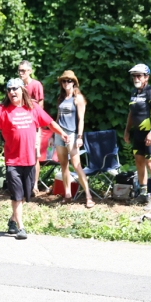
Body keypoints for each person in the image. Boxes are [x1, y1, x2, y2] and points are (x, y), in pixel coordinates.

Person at [0, 78, 70, 240]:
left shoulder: (32, 107)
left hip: (30, 161)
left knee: (26, 196)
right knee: (17, 196)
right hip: (13, 161)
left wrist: (61, 133)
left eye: (15, 88)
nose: (12, 92)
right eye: (9, 89)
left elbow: (49, 122)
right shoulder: (2, 109)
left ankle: (12, 221)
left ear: (22, 90)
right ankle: (21, 227)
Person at [124, 63, 151, 208]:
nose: (136, 78)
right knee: (139, 162)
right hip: (138, 134)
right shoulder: (134, 93)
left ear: (146, 77)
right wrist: (127, 130)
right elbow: (131, 113)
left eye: (139, 75)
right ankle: (142, 195)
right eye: (134, 75)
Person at [52, 70, 95, 208]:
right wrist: (54, 134)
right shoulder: (61, 98)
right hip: (60, 134)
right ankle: (68, 194)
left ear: (74, 83)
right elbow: (58, 118)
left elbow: (81, 119)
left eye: (69, 81)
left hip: (72, 134)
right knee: (63, 165)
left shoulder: (78, 99)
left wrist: (79, 137)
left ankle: (88, 196)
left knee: (77, 165)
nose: (66, 83)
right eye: (64, 81)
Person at [19, 61, 45, 194]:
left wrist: (36, 123)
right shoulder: (18, 86)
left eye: (23, 70)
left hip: (33, 125)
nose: (21, 73)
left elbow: (40, 106)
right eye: (19, 70)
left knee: (35, 155)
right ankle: (24, 184)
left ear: (30, 71)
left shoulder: (36, 85)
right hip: (21, 125)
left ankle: (34, 185)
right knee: (22, 154)